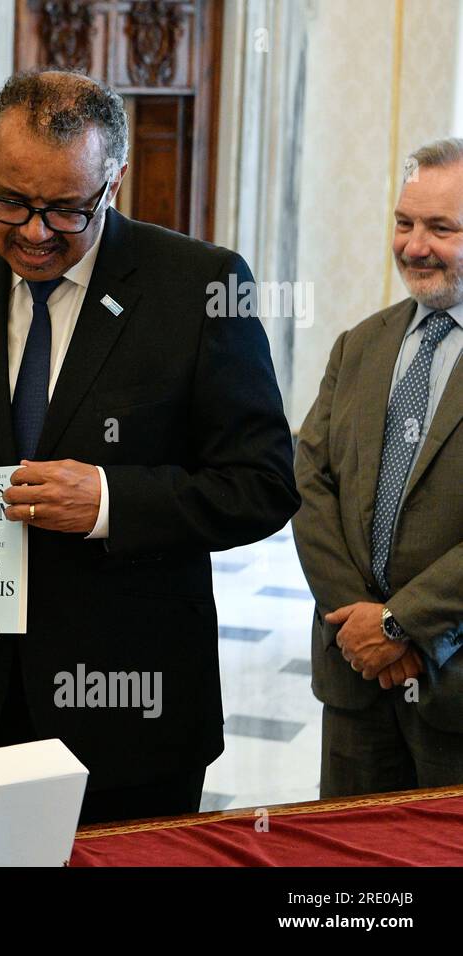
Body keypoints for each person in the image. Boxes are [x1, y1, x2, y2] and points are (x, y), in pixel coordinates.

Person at [0, 70, 298, 825]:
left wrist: (108, 502)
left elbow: (261, 482)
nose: (34, 232)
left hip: (133, 717)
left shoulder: (200, 285)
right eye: (9, 201)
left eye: (67, 209)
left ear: (115, 182)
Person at [294, 137, 463, 798]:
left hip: (453, 686)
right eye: (404, 222)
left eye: (441, 228)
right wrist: (358, 621)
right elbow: (309, 486)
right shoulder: (359, 345)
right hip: (355, 682)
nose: (413, 246)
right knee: (351, 881)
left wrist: (401, 625)